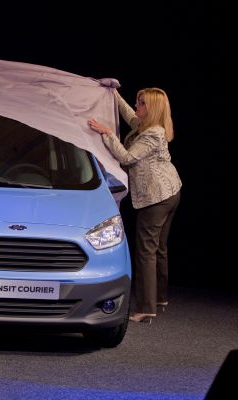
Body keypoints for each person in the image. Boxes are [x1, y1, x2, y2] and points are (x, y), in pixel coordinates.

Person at [88, 87, 182, 324]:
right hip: (170, 191)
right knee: (159, 248)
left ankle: (146, 308)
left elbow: (127, 157)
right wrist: (113, 94)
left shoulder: (153, 134)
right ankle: (160, 299)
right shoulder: (146, 126)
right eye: (137, 102)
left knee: (146, 251)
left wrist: (107, 133)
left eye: (141, 103)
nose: (136, 106)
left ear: (152, 109)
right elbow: (130, 116)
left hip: (157, 197)